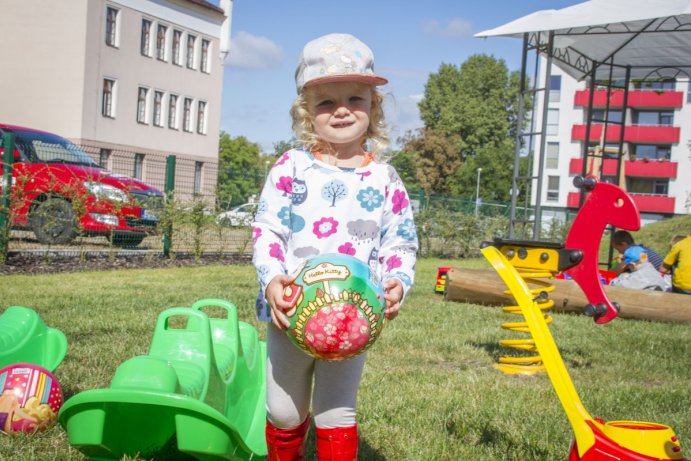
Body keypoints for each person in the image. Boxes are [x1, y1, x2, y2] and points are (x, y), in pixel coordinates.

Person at [251, 33, 418, 460]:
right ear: (307, 111)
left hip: (352, 318)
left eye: (355, 98)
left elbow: (400, 239)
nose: (341, 109)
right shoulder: (291, 167)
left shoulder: (385, 180)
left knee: (337, 413)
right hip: (291, 313)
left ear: (373, 107)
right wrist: (272, 281)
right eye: (326, 102)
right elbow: (267, 230)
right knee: (284, 411)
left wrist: (397, 280)